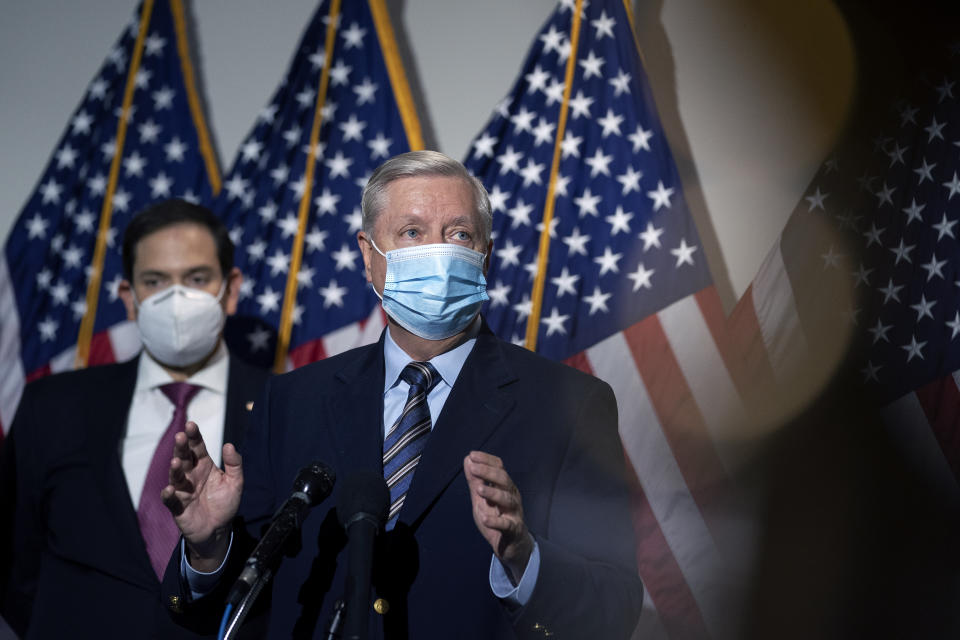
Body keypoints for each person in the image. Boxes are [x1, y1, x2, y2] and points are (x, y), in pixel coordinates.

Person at [162, 151, 643, 639]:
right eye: (412, 233)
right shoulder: (291, 401)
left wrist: (524, 557)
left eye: (459, 234)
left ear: (485, 256)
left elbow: (615, 610)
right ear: (369, 256)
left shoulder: (570, 404)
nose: (438, 251)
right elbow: (236, 608)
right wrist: (208, 547)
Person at [0, 199, 270, 638]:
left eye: (197, 278)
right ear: (129, 297)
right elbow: (15, 565)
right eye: (155, 281)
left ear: (231, 289)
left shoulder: (288, 403)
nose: (176, 298)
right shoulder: (51, 407)